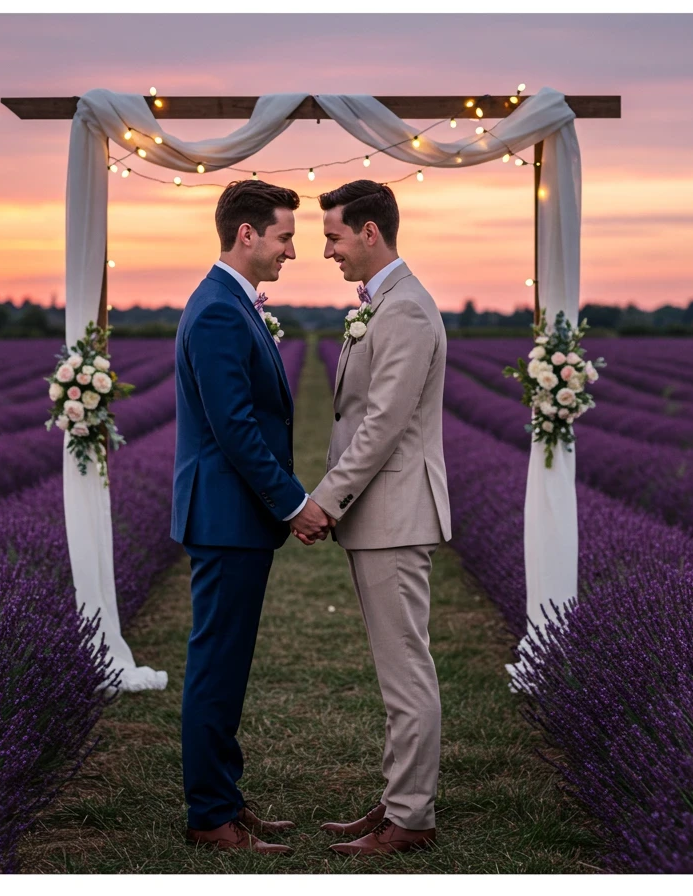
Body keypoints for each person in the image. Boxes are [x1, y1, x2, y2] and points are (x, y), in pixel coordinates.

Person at [170, 178, 331, 854]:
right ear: (247, 234)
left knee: (228, 665)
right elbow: (234, 428)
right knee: (217, 665)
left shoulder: (231, 304)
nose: (292, 251)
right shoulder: (216, 311)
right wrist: (294, 502)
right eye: (285, 236)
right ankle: (210, 817)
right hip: (226, 516)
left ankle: (225, 801)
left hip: (233, 517)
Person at [305, 180, 452, 857]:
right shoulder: (387, 304)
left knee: (405, 671)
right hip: (383, 514)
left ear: (370, 231)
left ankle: (412, 819)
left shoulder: (406, 312)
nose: (326, 248)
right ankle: (397, 799)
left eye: (334, 234)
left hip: (393, 513)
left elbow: (383, 424)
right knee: (396, 667)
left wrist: (327, 500)